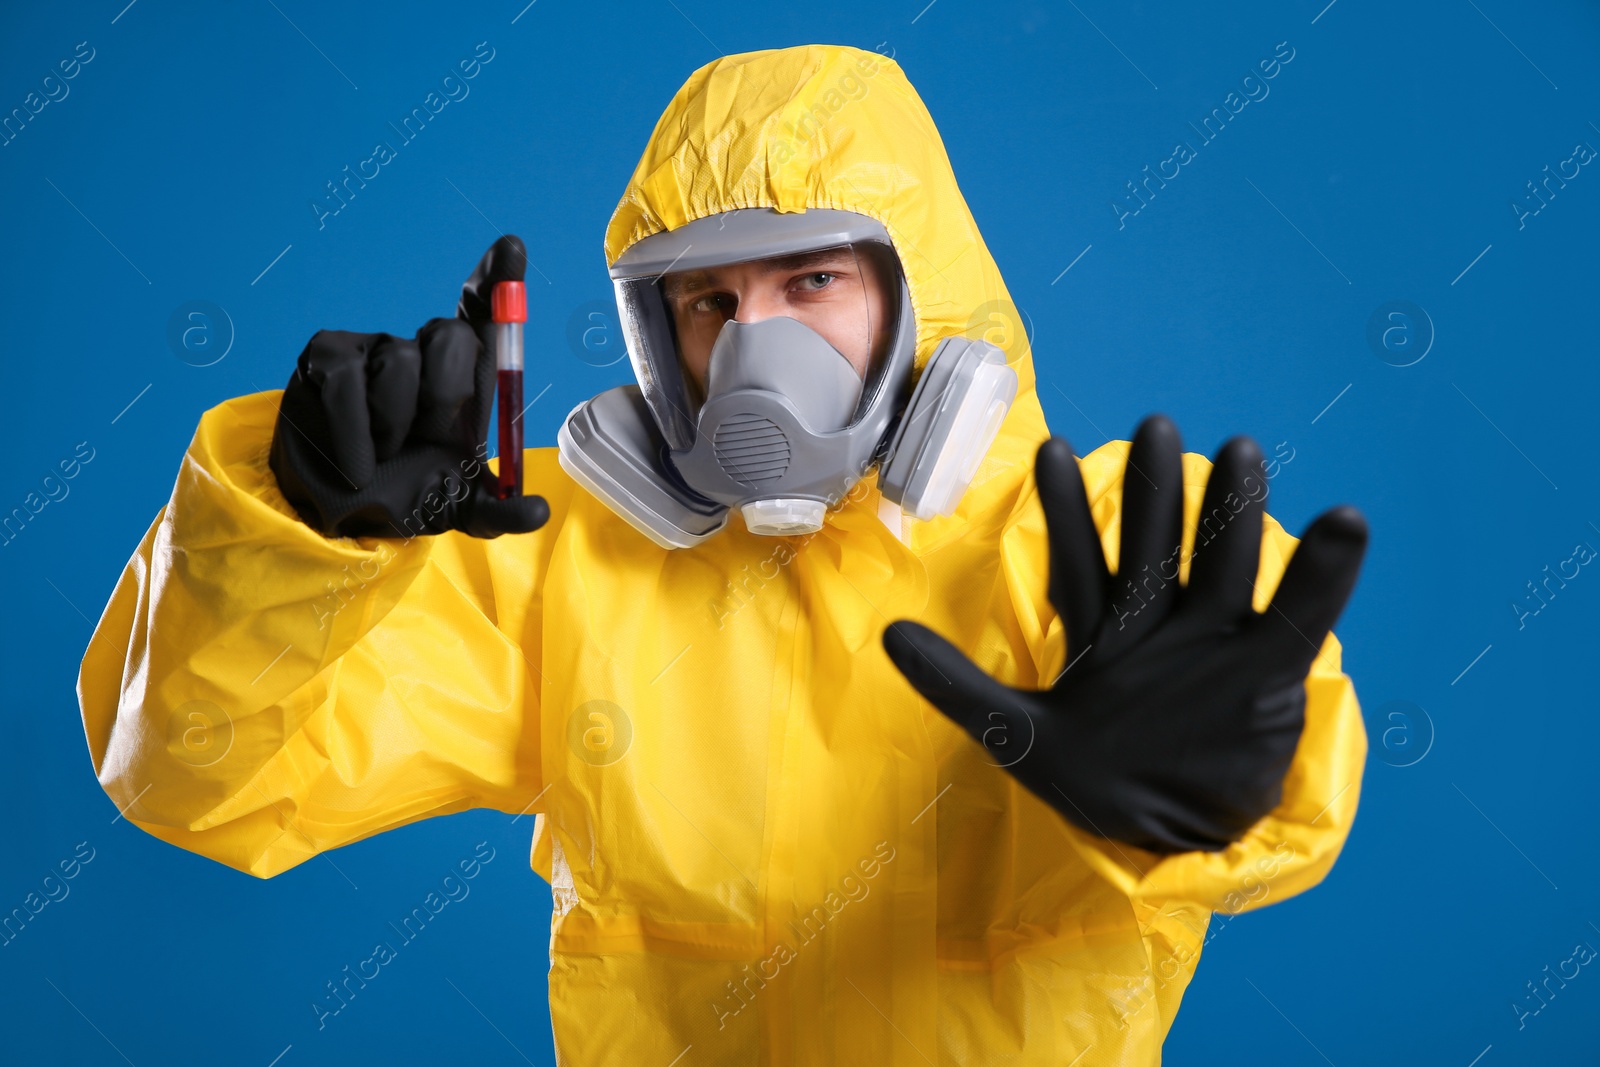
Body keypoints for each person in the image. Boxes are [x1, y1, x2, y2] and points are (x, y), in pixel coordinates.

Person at [77, 44, 1369, 1064]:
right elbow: (205, 778)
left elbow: (1294, 752)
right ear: (659, 342)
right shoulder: (568, 570)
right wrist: (297, 542)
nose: (755, 348)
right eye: (711, 303)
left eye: (810, 283)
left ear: (923, 293)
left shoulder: (1094, 543)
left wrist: (1213, 784)